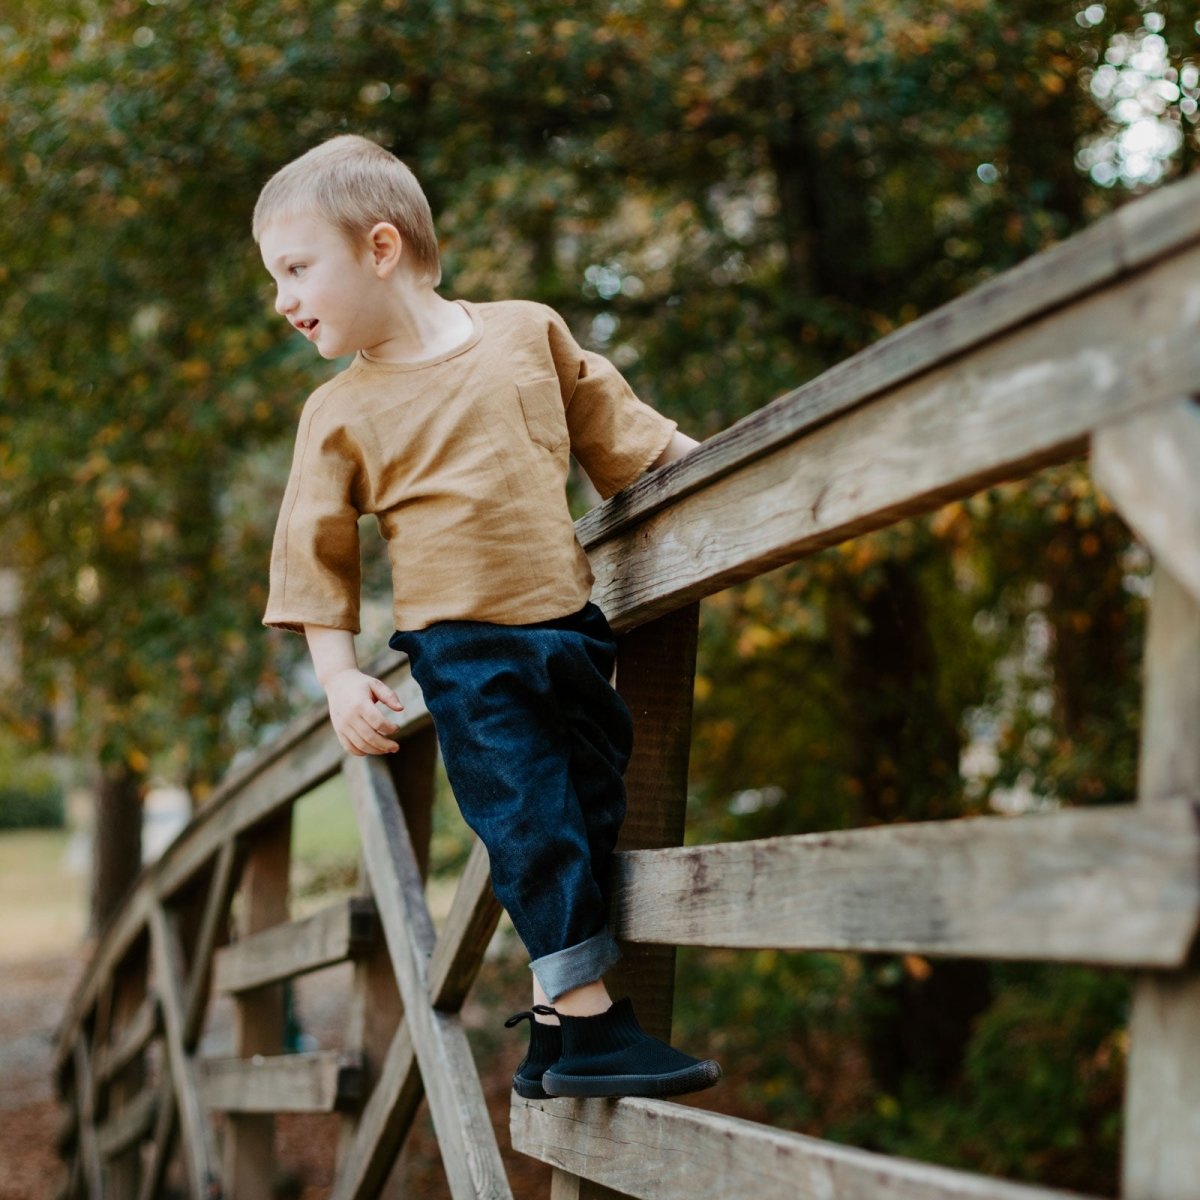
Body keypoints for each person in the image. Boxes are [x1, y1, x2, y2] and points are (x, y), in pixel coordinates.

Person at [254, 134, 720, 1100]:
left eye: (297, 270)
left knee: (596, 805)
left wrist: (713, 464)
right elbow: (314, 554)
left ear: (380, 249)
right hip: (463, 652)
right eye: (276, 278)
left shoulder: (524, 332)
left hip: (571, 628)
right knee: (531, 821)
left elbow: (619, 425)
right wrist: (341, 676)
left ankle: (552, 1034)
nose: (283, 301)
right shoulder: (337, 414)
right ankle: (594, 1030)